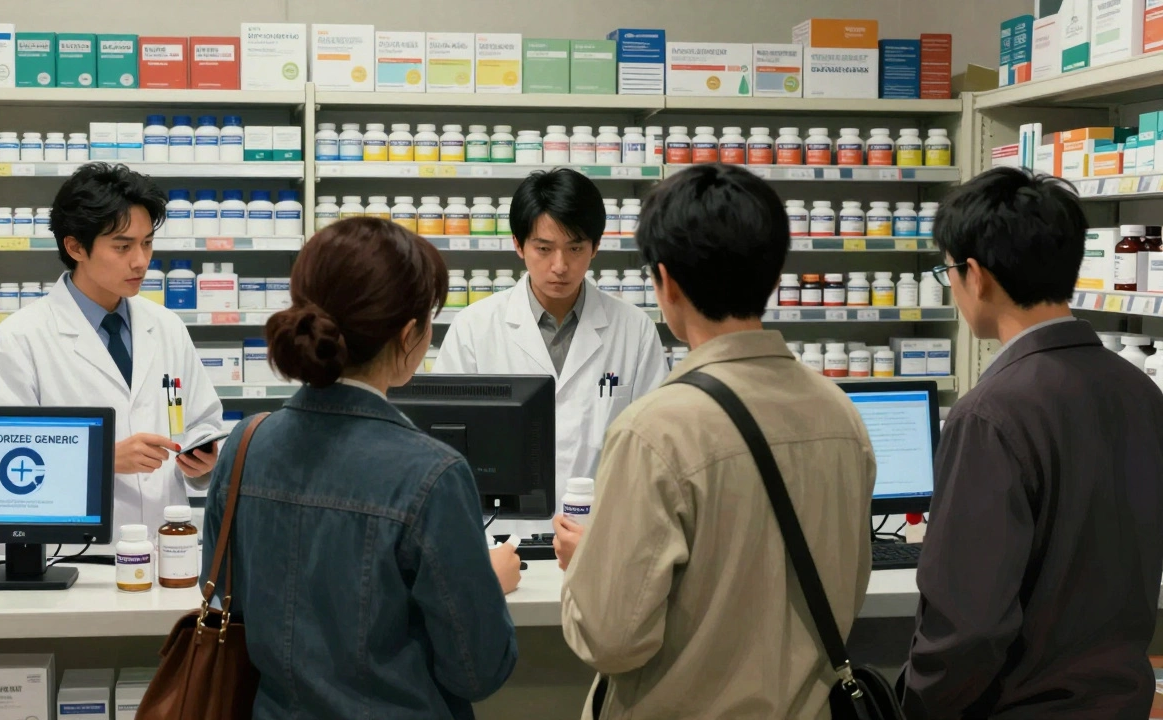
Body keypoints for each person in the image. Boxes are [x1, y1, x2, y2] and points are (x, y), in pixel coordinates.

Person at [554, 164, 876, 720]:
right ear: (774, 276)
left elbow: (611, 638)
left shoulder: (656, 430)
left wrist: (592, 566)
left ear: (666, 281)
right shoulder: (841, 416)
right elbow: (846, 585)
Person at [202, 217, 520, 720]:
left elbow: (228, 607)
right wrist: (487, 587)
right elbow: (477, 671)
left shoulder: (247, 445)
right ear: (410, 333)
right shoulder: (432, 475)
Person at [900, 168, 1163, 719]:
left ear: (976, 275)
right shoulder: (1139, 389)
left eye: (948, 269)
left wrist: (916, 707)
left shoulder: (990, 415)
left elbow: (965, 626)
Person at [0, 163, 223, 531]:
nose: (140, 261)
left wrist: (203, 460)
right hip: (71, 556)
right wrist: (100, 458)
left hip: (164, 545)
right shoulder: (17, 340)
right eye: (122, 246)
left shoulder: (167, 327)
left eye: (147, 243)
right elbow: (0, 461)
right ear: (75, 247)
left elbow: (203, 422)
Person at [434, 168, 669, 536]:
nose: (560, 266)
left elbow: (657, 450)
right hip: (501, 541)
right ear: (518, 245)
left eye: (575, 248)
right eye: (544, 249)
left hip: (603, 541)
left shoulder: (634, 330)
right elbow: (443, 451)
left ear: (595, 246)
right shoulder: (474, 328)